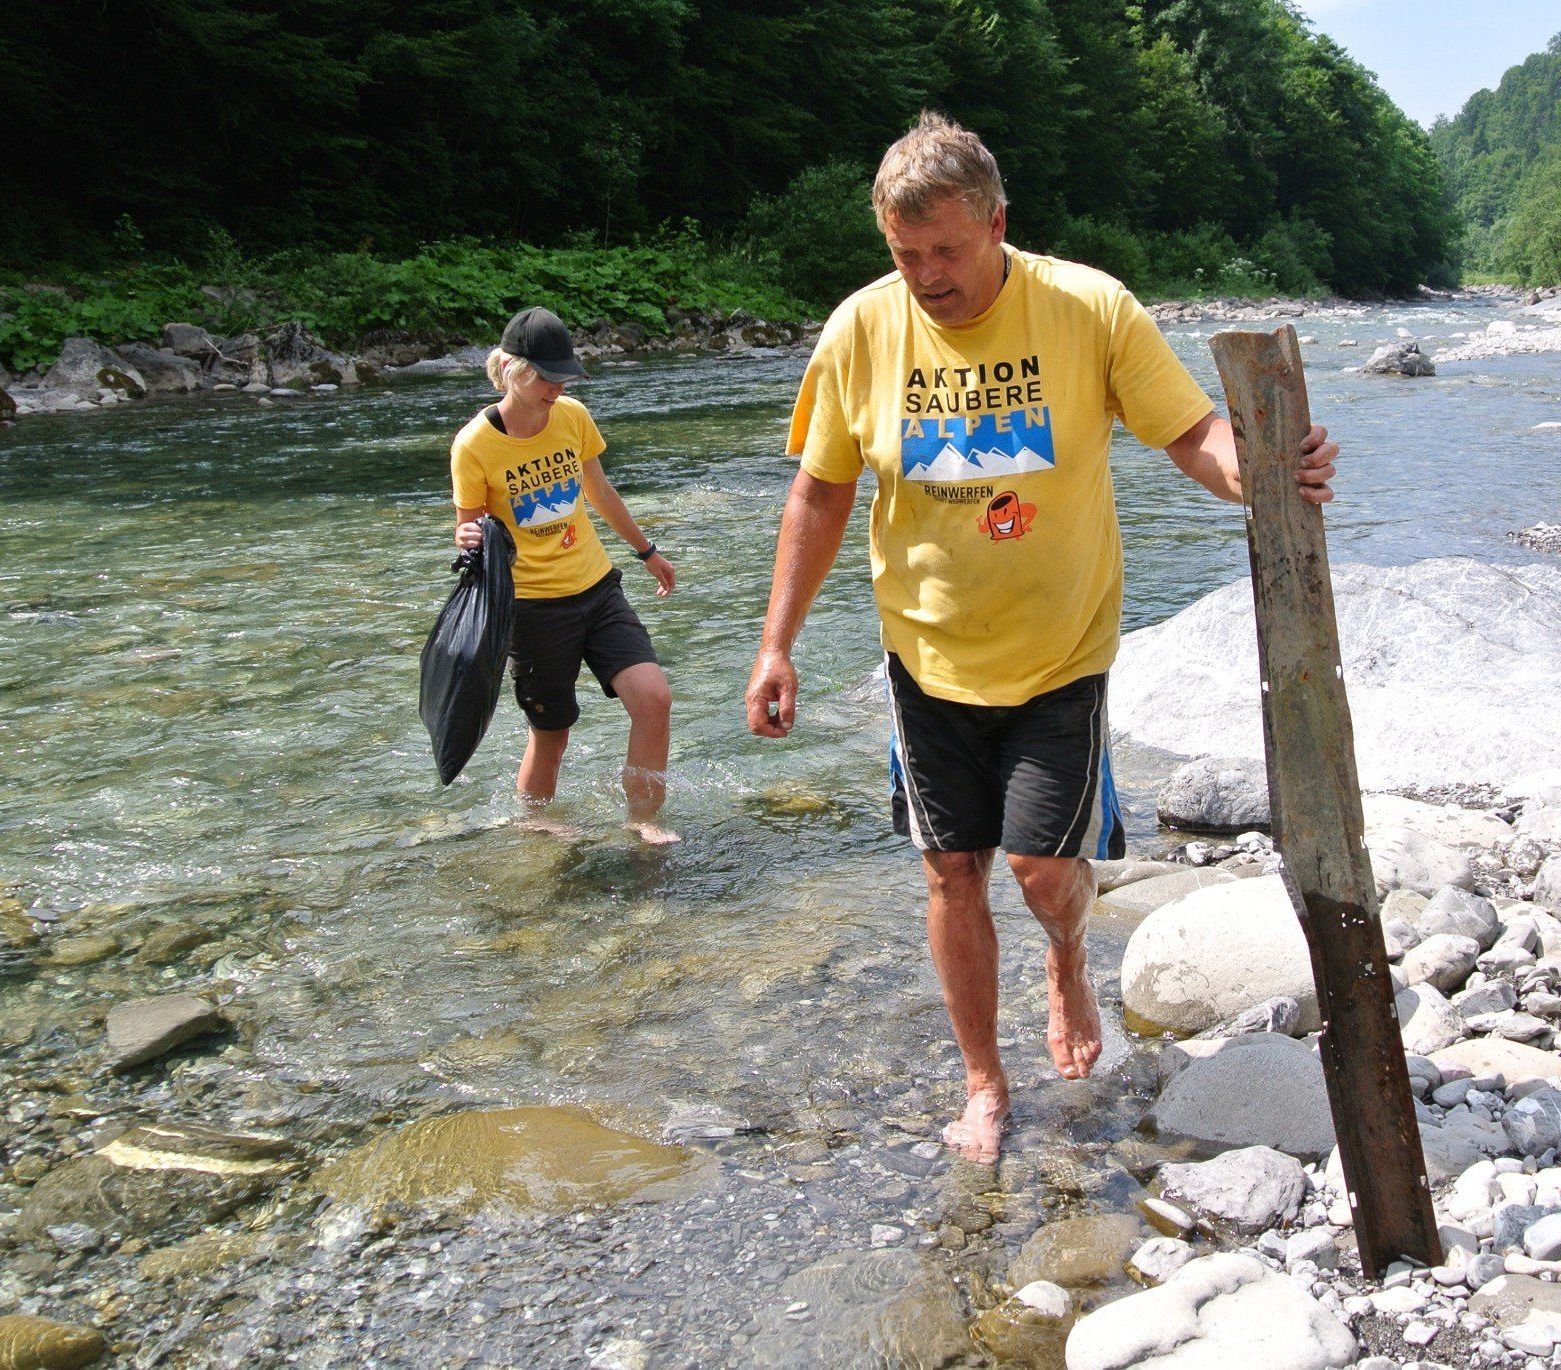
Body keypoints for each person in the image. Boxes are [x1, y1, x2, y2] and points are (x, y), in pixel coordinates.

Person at [743, 113, 1340, 1163]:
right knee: (948, 871)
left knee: (1035, 866)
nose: (926, 276)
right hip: (923, 655)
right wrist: (774, 643)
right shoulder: (860, 330)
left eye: (946, 250)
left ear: (996, 222)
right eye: (905, 254)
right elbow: (821, 489)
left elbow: (1186, 430)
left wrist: (1265, 478)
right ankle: (982, 1076)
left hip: (1060, 652)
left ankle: (1066, 953)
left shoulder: (1085, 306)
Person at [451, 306, 679, 844]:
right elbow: (469, 532)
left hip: (597, 587)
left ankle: (643, 821)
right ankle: (533, 821)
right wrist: (466, 538)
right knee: (552, 733)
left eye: (563, 376)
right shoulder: (474, 446)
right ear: (512, 369)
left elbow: (598, 492)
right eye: (547, 376)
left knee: (654, 699)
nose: (557, 387)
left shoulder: (573, 417)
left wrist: (647, 551)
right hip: (531, 608)